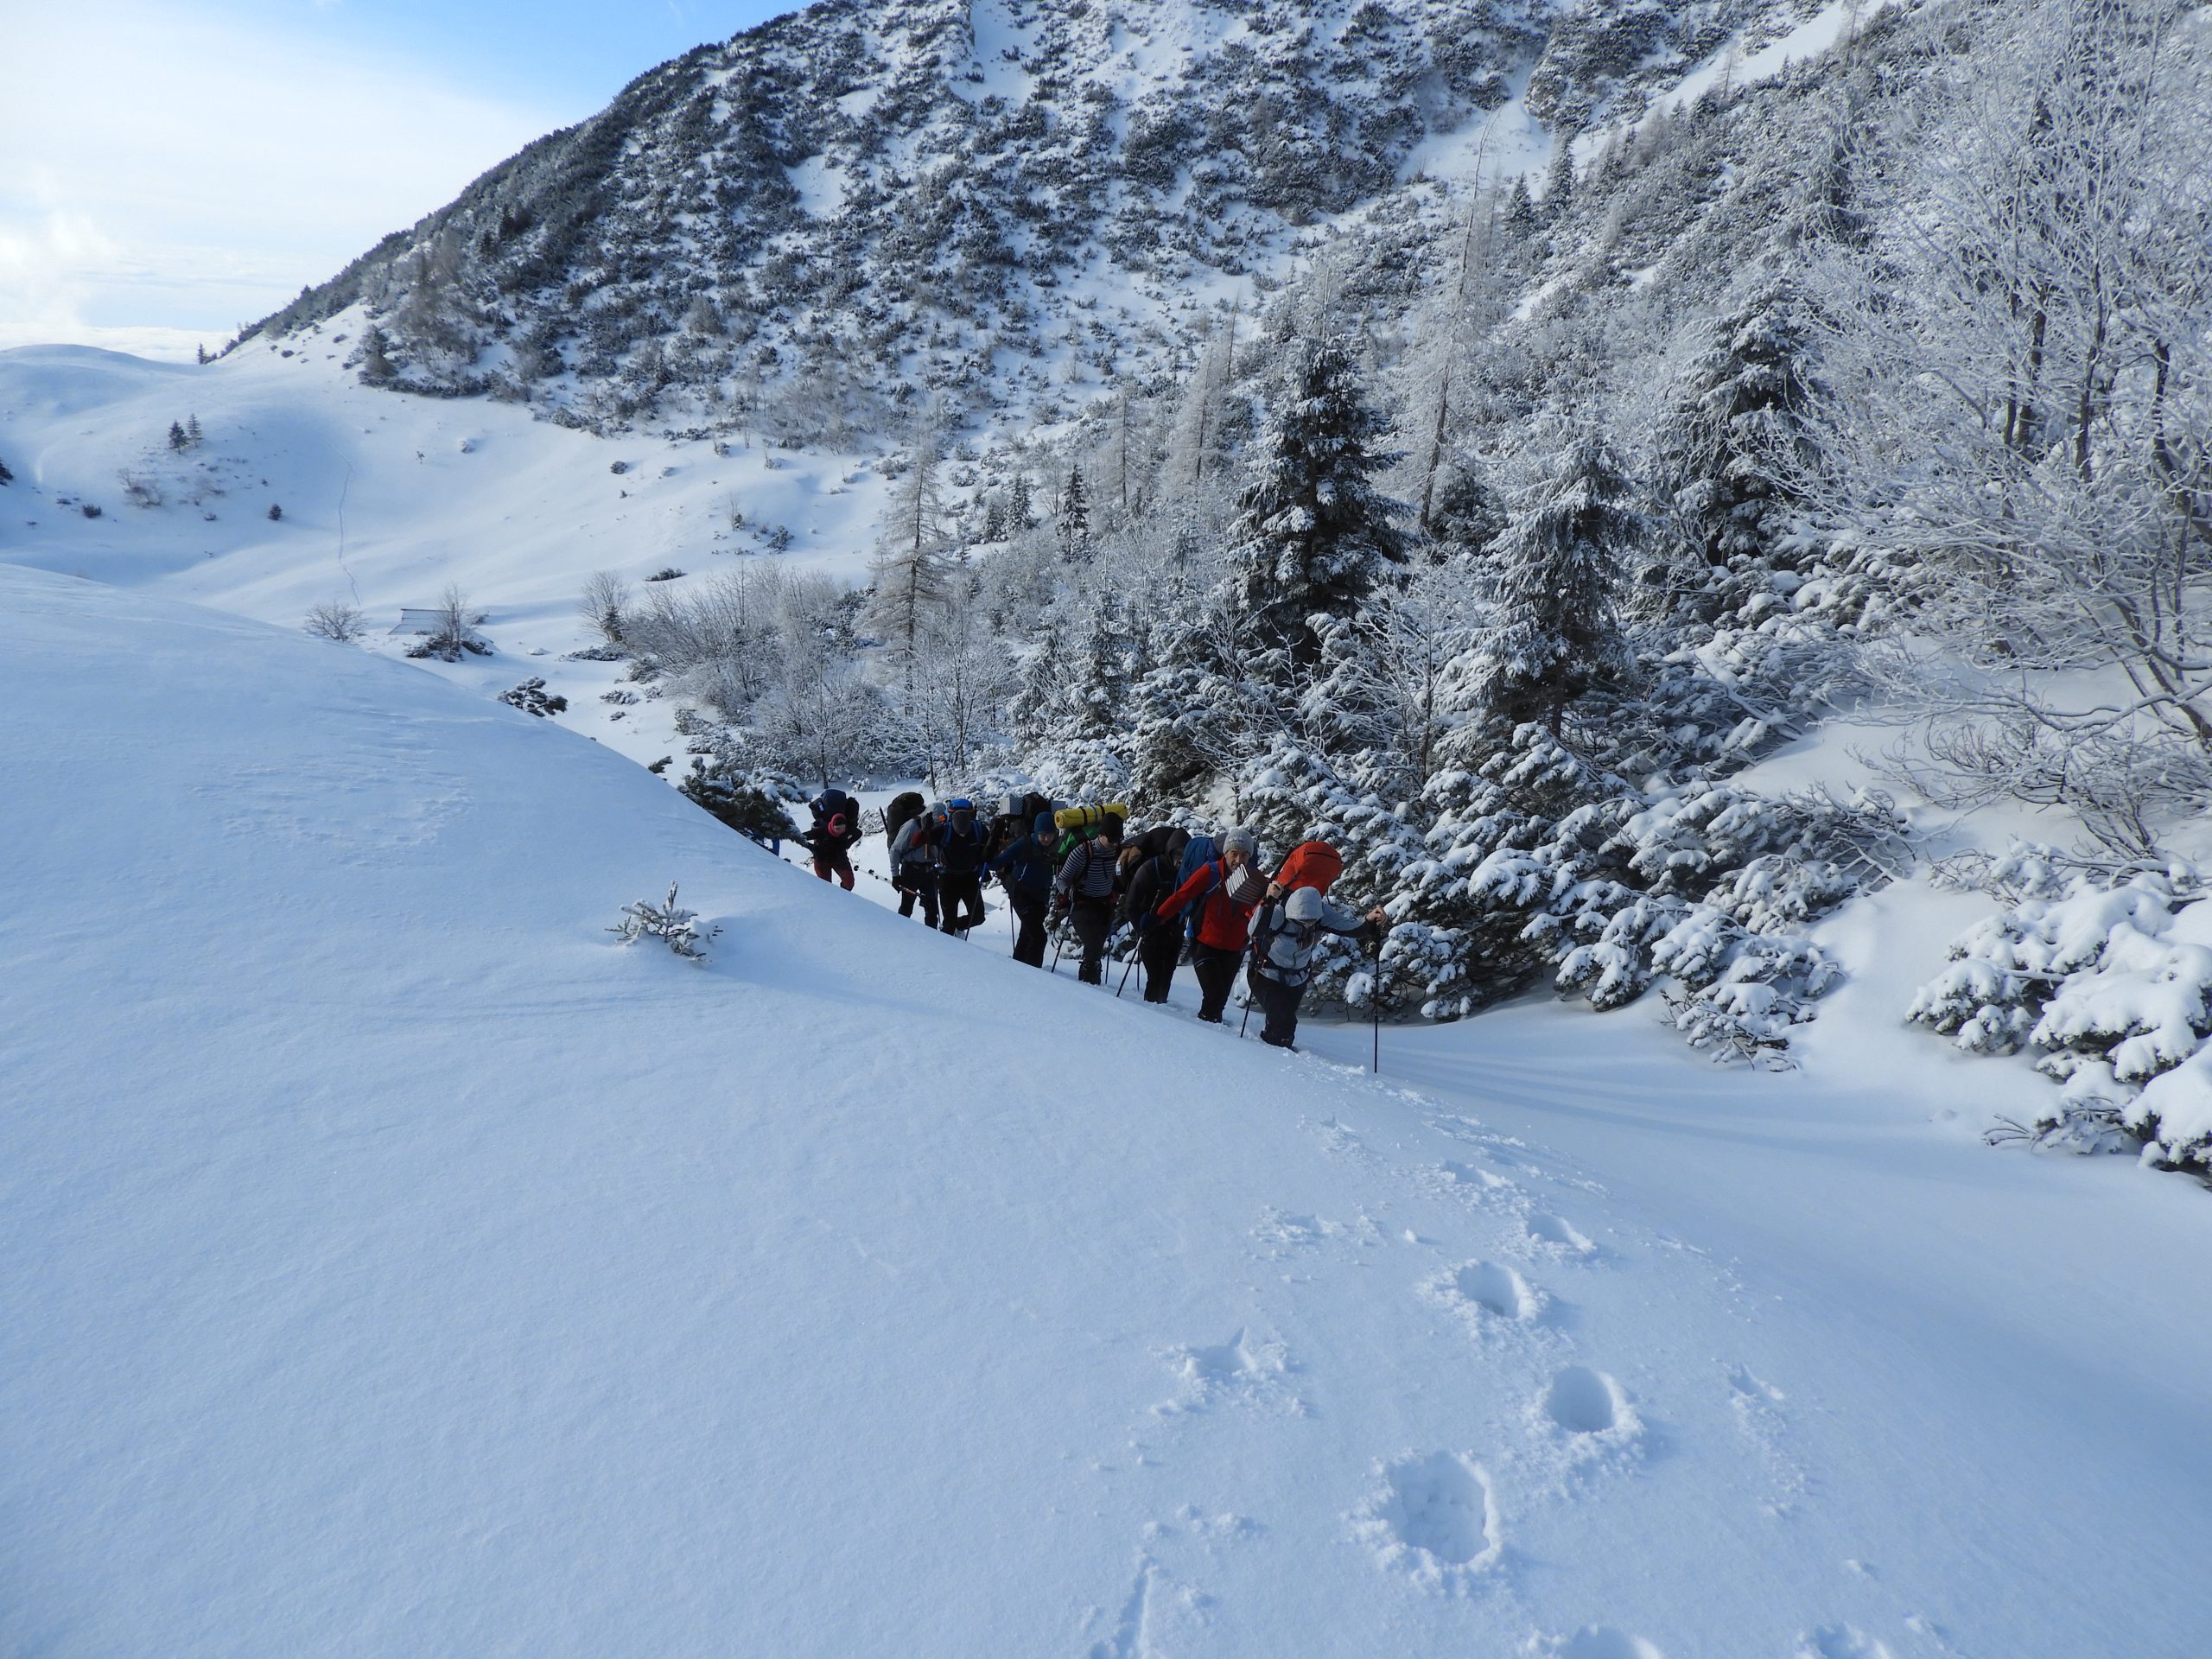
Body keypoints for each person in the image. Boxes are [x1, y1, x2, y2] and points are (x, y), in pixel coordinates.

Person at [1245, 884, 1388, 1051]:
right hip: (1265, 974)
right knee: (1284, 1021)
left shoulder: (1320, 913)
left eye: (1311, 921)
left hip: (1297, 979)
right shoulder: (1278, 911)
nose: (1306, 925)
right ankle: (1273, 1057)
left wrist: (1370, 919)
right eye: (1300, 921)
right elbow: (1254, 930)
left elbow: (1351, 928)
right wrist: (1268, 901)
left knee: (1280, 1018)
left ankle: (1270, 1049)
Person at [1156, 825, 1267, 1021]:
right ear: (1226, 853)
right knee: (1214, 995)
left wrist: (1271, 896)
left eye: (1244, 855)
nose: (1238, 860)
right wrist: (1158, 917)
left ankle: (1208, 1032)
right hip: (1205, 945)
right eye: (1234, 853)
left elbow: (1263, 912)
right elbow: (1182, 896)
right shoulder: (1211, 872)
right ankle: (1204, 1032)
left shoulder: (1256, 880)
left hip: (1234, 950)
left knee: (1219, 1001)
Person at [1119, 825, 1191, 1003]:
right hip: (1150, 930)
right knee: (1156, 975)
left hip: (1174, 930)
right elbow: (1131, 904)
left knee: (1167, 975)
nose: (1181, 859)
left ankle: (1160, 1007)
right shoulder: (1150, 869)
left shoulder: (1189, 873)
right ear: (1170, 852)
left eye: (1185, 855)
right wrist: (1141, 924)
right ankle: (1151, 1010)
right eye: (1177, 854)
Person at [1052, 814, 1124, 984]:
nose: (1114, 844)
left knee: (1096, 947)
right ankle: (1089, 985)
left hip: (1105, 906)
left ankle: (1089, 982)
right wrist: (1069, 893)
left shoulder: (1118, 852)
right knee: (1093, 945)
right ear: (1101, 834)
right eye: (1111, 840)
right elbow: (1061, 879)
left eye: (1117, 840)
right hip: (1082, 905)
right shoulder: (1082, 852)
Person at [991, 810, 1060, 967]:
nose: (1046, 839)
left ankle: (1018, 967)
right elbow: (999, 861)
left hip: (1040, 896)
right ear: (1036, 832)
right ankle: (1033, 973)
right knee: (1039, 937)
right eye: (1042, 835)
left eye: (1049, 835)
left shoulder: (1055, 847)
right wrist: (989, 857)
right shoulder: (1024, 844)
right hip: (1021, 893)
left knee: (1027, 934)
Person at [934, 798, 991, 936]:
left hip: (967, 879)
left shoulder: (978, 829)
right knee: (951, 923)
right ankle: (950, 933)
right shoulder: (945, 830)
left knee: (977, 917)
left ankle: (955, 928)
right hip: (950, 879)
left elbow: (986, 851)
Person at [889, 800, 943, 928]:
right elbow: (895, 850)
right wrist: (895, 875)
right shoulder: (912, 826)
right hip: (911, 871)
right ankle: (900, 932)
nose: (939, 823)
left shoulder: (939, 827)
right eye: (937, 820)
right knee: (907, 907)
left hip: (929, 871)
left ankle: (932, 936)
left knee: (932, 910)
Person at [803, 809, 861, 890]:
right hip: (822, 860)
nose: (841, 831)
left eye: (843, 828)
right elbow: (800, 837)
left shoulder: (847, 829)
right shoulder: (822, 831)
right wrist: (813, 848)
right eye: (838, 829)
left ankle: (843, 896)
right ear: (832, 826)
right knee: (826, 887)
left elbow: (859, 833)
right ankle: (832, 897)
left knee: (849, 883)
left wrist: (848, 842)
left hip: (839, 857)